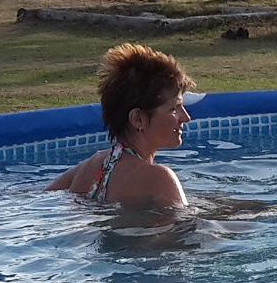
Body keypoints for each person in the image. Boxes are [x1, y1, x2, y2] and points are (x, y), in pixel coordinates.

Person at [49, 43, 195, 207]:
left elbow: (45, 197)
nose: (186, 117)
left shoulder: (93, 165)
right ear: (138, 119)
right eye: (174, 109)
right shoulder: (159, 178)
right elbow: (186, 222)